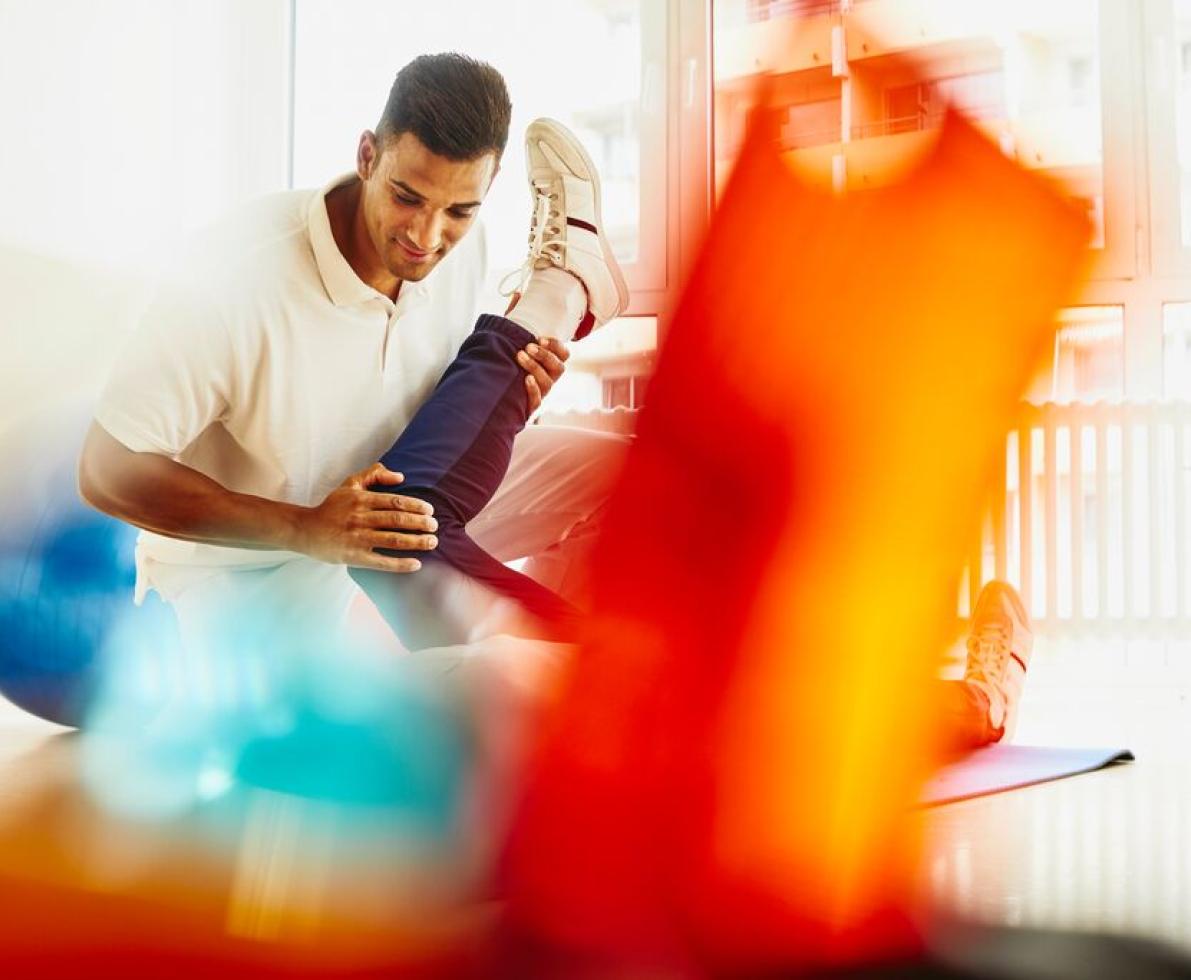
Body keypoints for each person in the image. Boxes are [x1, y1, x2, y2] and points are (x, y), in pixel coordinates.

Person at [77, 53, 628, 667]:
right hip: (259, 589)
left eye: (459, 211)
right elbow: (106, 469)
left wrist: (508, 405)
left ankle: (571, 683)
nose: (426, 234)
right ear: (368, 155)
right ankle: (562, 292)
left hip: (401, 524)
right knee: (479, 682)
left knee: (626, 483)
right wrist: (304, 526)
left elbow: (427, 426)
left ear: (488, 188)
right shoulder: (235, 274)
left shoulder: (458, 251)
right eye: (406, 196)